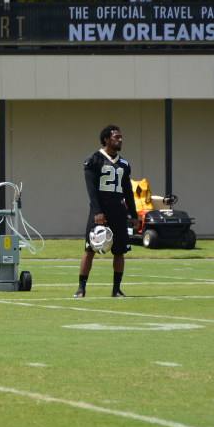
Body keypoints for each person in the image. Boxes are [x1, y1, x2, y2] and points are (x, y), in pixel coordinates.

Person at [75, 125, 137, 299]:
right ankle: (81, 289)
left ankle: (116, 289)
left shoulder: (124, 164)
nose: (120, 139)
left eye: (121, 136)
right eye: (117, 136)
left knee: (119, 251)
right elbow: (91, 189)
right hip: (100, 211)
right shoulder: (93, 160)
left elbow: (128, 192)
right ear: (106, 139)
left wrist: (134, 214)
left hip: (118, 212)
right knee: (90, 249)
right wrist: (97, 210)